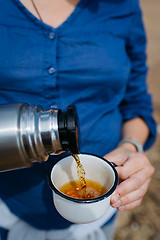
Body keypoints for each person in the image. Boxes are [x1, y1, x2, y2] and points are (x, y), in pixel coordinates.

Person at [0, 0, 157, 239]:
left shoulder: (122, 6)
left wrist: (131, 146)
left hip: (98, 217)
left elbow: (135, 102)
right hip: (7, 209)